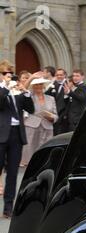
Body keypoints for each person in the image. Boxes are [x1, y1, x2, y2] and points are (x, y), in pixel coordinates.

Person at [0, 60, 35, 218]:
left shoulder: (17, 92)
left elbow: (31, 109)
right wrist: (6, 87)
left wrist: (25, 91)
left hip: (16, 135)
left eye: (10, 74)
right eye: (5, 73)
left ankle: (8, 208)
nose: (9, 76)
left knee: (13, 173)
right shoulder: (4, 91)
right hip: (1, 135)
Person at [22, 78, 58, 165]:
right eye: (36, 85)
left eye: (40, 84)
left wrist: (52, 117)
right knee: (30, 149)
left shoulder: (51, 98)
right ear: (33, 87)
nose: (38, 86)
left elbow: (55, 115)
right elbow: (23, 91)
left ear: (43, 86)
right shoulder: (29, 97)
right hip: (32, 126)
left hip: (47, 126)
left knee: (46, 150)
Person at [45, 68, 69, 135]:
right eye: (57, 75)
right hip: (54, 113)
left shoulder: (68, 84)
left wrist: (65, 114)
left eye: (61, 75)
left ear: (65, 75)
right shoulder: (53, 84)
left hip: (63, 114)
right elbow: (46, 95)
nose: (59, 76)